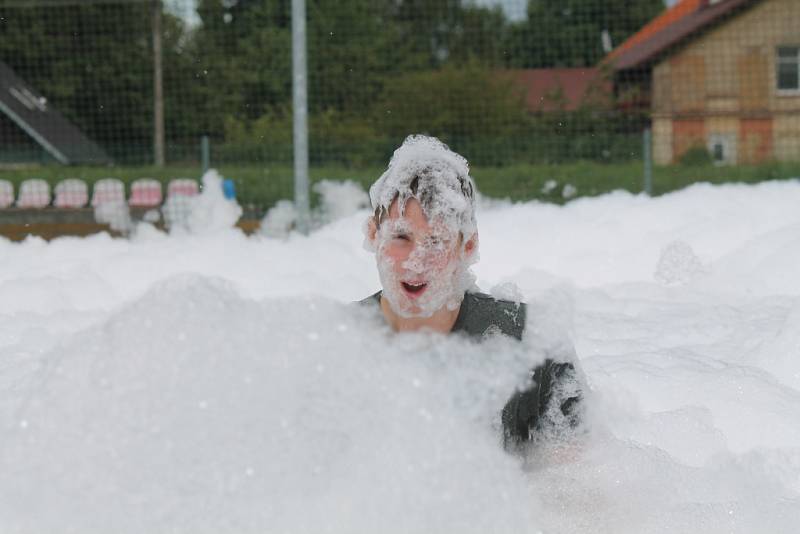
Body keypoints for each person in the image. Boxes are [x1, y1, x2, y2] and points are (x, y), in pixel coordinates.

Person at [360, 134, 582, 450]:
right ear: (373, 234)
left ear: (468, 246)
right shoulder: (335, 343)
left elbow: (583, 484)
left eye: (436, 241)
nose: (416, 261)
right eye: (401, 237)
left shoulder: (530, 343)